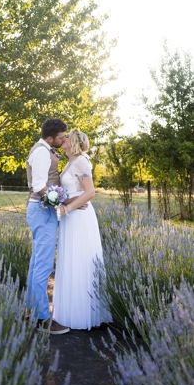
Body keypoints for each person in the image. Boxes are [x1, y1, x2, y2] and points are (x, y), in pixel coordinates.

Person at [51, 130, 110, 330]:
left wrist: (67, 208)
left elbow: (90, 192)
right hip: (70, 218)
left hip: (79, 216)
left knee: (80, 259)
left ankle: (84, 313)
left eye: (66, 136)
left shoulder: (82, 162)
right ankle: (68, 310)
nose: (63, 138)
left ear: (74, 141)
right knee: (70, 260)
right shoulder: (69, 162)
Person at [25, 118, 70, 334]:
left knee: (37, 263)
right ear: (50, 138)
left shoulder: (44, 149)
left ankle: (31, 311)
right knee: (43, 265)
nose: (64, 140)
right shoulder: (42, 152)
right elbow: (39, 185)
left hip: (40, 210)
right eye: (61, 137)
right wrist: (61, 201)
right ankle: (43, 318)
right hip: (42, 210)